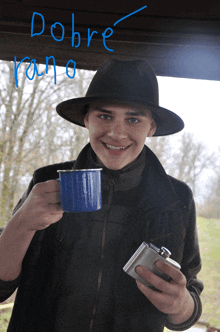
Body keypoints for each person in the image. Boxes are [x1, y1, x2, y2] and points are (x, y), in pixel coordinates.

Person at [0, 59, 203, 332]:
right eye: (104, 116)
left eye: (133, 119)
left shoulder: (177, 199)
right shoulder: (45, 182)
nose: (116, 133)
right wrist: (21, 223)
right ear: (87, 119)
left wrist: (181, 304)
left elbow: (187, 304)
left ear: (151, 127)